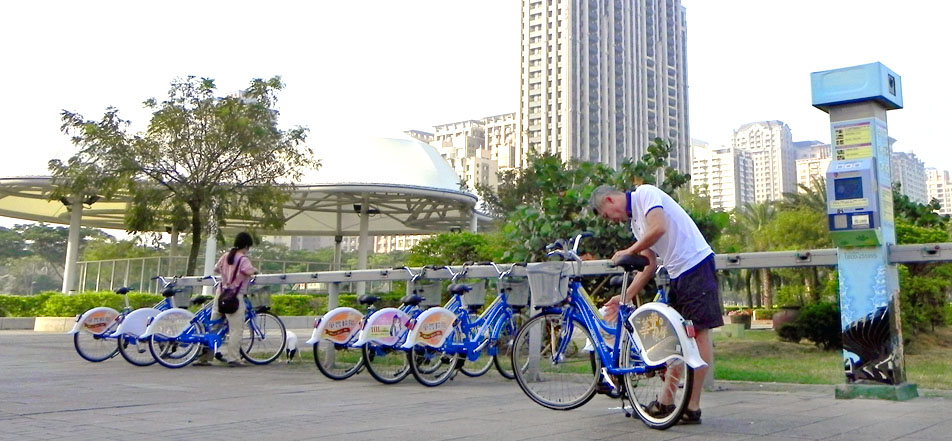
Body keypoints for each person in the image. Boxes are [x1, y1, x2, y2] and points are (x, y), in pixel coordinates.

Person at [589, 183, 721, 425]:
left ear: (609, 200)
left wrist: (628, 250)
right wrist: (625, 296)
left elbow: (659, 227)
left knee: (698, 335)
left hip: (696, 265)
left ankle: (692, 406)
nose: (613, 220)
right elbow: (649, 264)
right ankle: (668, 401)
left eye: (609, 215)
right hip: (677, 273)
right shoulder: (636, 223)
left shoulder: (645, 194)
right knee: (675, 338)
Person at [195, 232, 257, 367]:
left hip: (220, 295)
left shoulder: (225, 256)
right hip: (235, 297)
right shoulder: (243, 259)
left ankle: (204, 358)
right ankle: (234, 358)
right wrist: (255, 271)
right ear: (246, 245)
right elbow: (249, 271)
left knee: (213, 327)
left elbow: (216, 268)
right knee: (236, 329)